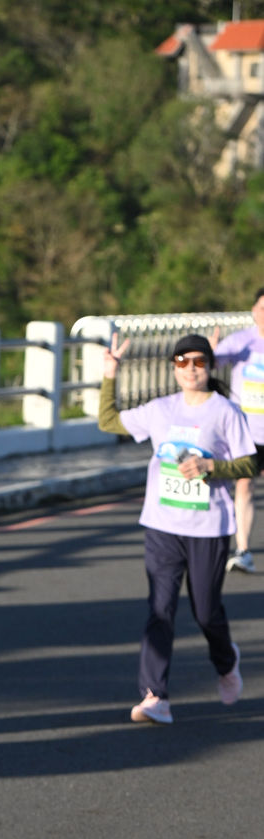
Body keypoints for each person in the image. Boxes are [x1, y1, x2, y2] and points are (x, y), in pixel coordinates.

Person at [99, 332, 255, 725]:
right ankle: (155, 697)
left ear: (211, 366)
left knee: (206, 613)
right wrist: (110, 375)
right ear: (173, 367)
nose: (190, 369)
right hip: (162, 525)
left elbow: (250, 464)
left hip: (209, 527)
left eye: (199, 361)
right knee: (160, 609)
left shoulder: (226, 412)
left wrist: (211, 466)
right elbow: (108, 421)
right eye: (182, 361)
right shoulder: (160, 409)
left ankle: (226, 661)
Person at [213, 288, 264, 572]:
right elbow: (212, 363)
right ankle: (243, 550)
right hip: (246, 431)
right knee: (244, 484)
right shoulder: (240, 341)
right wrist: (209, 353)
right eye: (262, 308)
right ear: (254, 310)